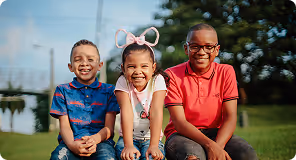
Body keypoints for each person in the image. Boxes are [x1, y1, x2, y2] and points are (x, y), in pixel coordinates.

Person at [164, 23, 258, 160]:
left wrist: (217, 147)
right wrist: (210, 146)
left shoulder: (226, 72)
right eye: (195, 46)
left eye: (208, 47)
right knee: (193, 157)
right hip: (181, 135)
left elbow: (230, 117)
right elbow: (179, 122)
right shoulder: (171, 74)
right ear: (186, 48)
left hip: (217, 133)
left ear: (217, 49)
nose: (202, 52)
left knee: (247, 154)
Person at [49, 39, 120, 160]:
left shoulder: (109, 91)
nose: (84, 63)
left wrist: (94, 140)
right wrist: (72, 145)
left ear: (100, 66)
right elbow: (64, 126)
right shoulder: (62, 91)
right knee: (58, 157)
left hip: (101, 143)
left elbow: (109, 129)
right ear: (71, 67)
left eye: (90, 59)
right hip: (71, 143)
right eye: (78, 60)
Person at [114, 27, 169, 160]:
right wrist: (128, 145)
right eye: (132, 66)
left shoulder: (158, 80)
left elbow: (156, 112)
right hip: (128, 138)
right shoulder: (122, 82)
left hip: (151, 138)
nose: (138, 71)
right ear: (123, 68)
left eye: (144, 66)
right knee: (130, 157)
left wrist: (154, 145)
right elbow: (126, 112)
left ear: (153, 67)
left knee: (151, 157)